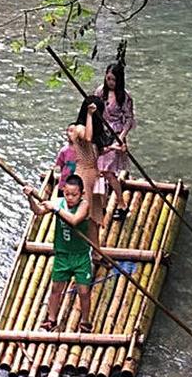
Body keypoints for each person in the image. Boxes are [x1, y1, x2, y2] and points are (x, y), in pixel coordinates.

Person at [23, 175, 94, 332]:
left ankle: (85, 321)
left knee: (83, 291)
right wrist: (30, 198)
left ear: (81, 194)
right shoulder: (59, 203)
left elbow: (74, 220)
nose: (70, 198)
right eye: (67, 194)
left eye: (74, 195)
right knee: (56, 288)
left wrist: (55, 208)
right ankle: (51, 319)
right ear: (63, 192)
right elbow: (38, 211)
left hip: (80, 255)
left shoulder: (84, 205)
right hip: (62, 254)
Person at [95, 62, 136, 221]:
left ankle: (121, 204)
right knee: (100, 171)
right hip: (102, 133)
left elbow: (129, 119)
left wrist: (122, 137)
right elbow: (94, 109)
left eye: (113, 80)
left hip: (116, 134)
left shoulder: (125, 97)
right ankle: (103, 205)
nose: (110, 82)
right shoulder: (100, 91)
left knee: (109, 172)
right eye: (108, 79)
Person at [72, 95, 107, 246]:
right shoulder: (79, 128)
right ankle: (79, 247)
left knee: (95, 216)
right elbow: (87, 138)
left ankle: (96, 251)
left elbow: (98, 149)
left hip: (95, 174)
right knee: (83, 213)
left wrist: (118, 148)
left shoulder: (96, 132)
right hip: (83, 174)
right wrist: (90, 115)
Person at [53, 124, 78, 196]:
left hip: (77, 183)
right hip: (64, 182)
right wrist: (57, 174)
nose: (69, 133)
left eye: (72, 131)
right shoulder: (64, 150)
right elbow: (58, 165)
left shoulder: (82, 151)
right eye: (68, 131)